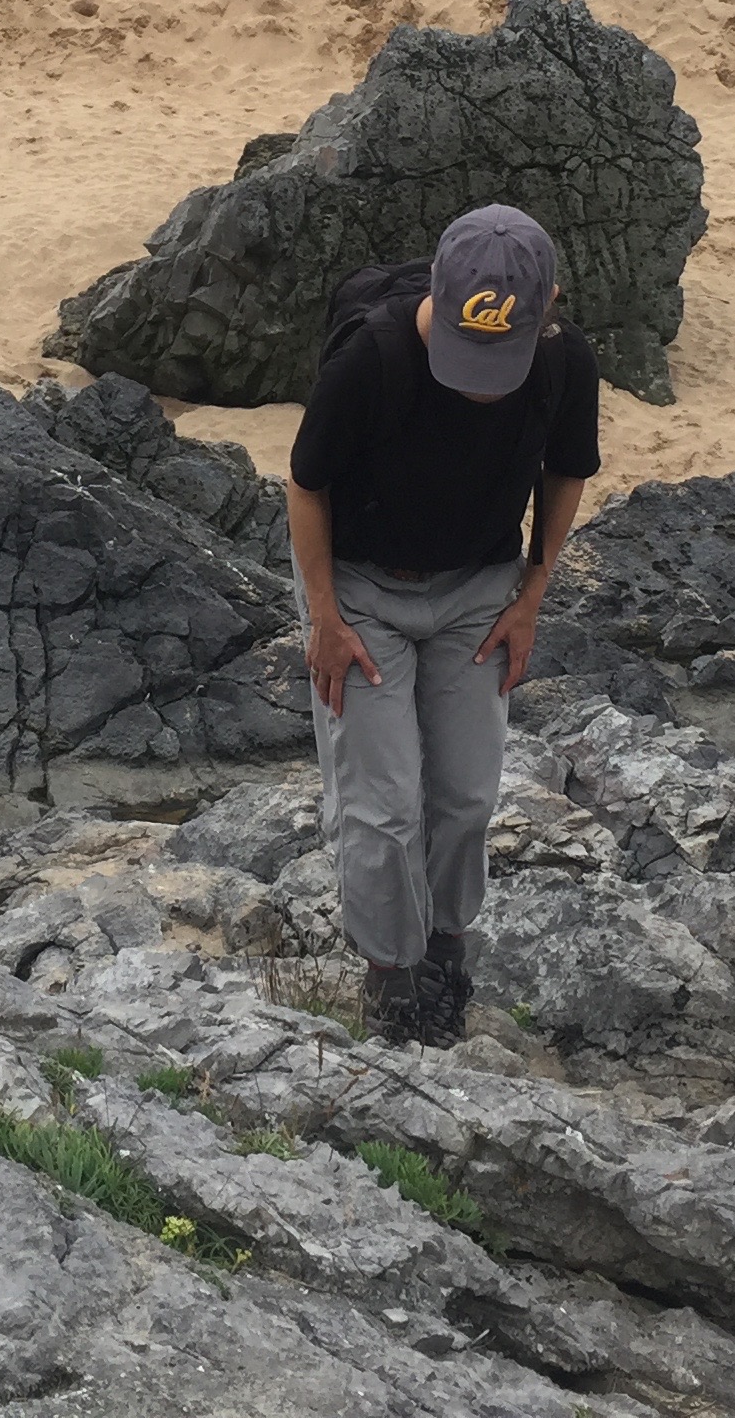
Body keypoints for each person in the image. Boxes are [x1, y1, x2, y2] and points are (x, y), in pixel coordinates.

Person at [289, 206, 600, 1046]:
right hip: (361, 588)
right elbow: (305, 484)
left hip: (480, 589)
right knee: (384, 806)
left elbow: (567, 470)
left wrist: (532, 595)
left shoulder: (564, 359)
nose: (477, 384)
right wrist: (323, 616)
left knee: (465, 796)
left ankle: (447, 950)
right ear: (437, 292)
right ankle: (391, 976)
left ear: (549, 309)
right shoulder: (372, 357)